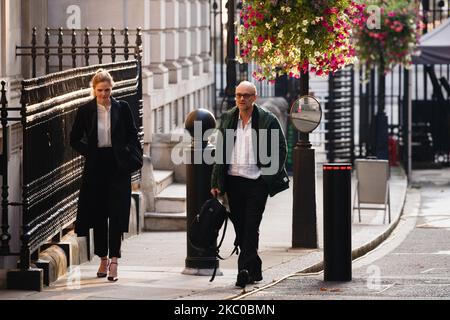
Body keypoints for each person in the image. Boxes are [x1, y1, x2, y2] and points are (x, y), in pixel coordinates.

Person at [211, 80, 290, 288]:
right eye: (238, 95)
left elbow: (281, 148)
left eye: (246, 95)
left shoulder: (267, 119)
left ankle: (243, 271)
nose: (242, 99)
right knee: (241, 227)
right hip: (234, 181)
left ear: (254, 98)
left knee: (251, 225)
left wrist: (268, 176)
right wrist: (216, 181)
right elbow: (220, 152)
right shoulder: (228, 118)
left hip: (257, 183)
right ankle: (255, 268)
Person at [70, 69, 141, 282]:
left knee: (117, 214)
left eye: (108, 90)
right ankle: (102, 258)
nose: (104, 95)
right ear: (93, 90)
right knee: (100, 214)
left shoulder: (122, 107)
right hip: (96, 166)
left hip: (118, 166)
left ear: (112, 89)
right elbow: (74, 138)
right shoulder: (85, 110)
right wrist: (89, 152)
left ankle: (115, 261)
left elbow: (132, 136)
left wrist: (129, 156)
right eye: (100, 90)